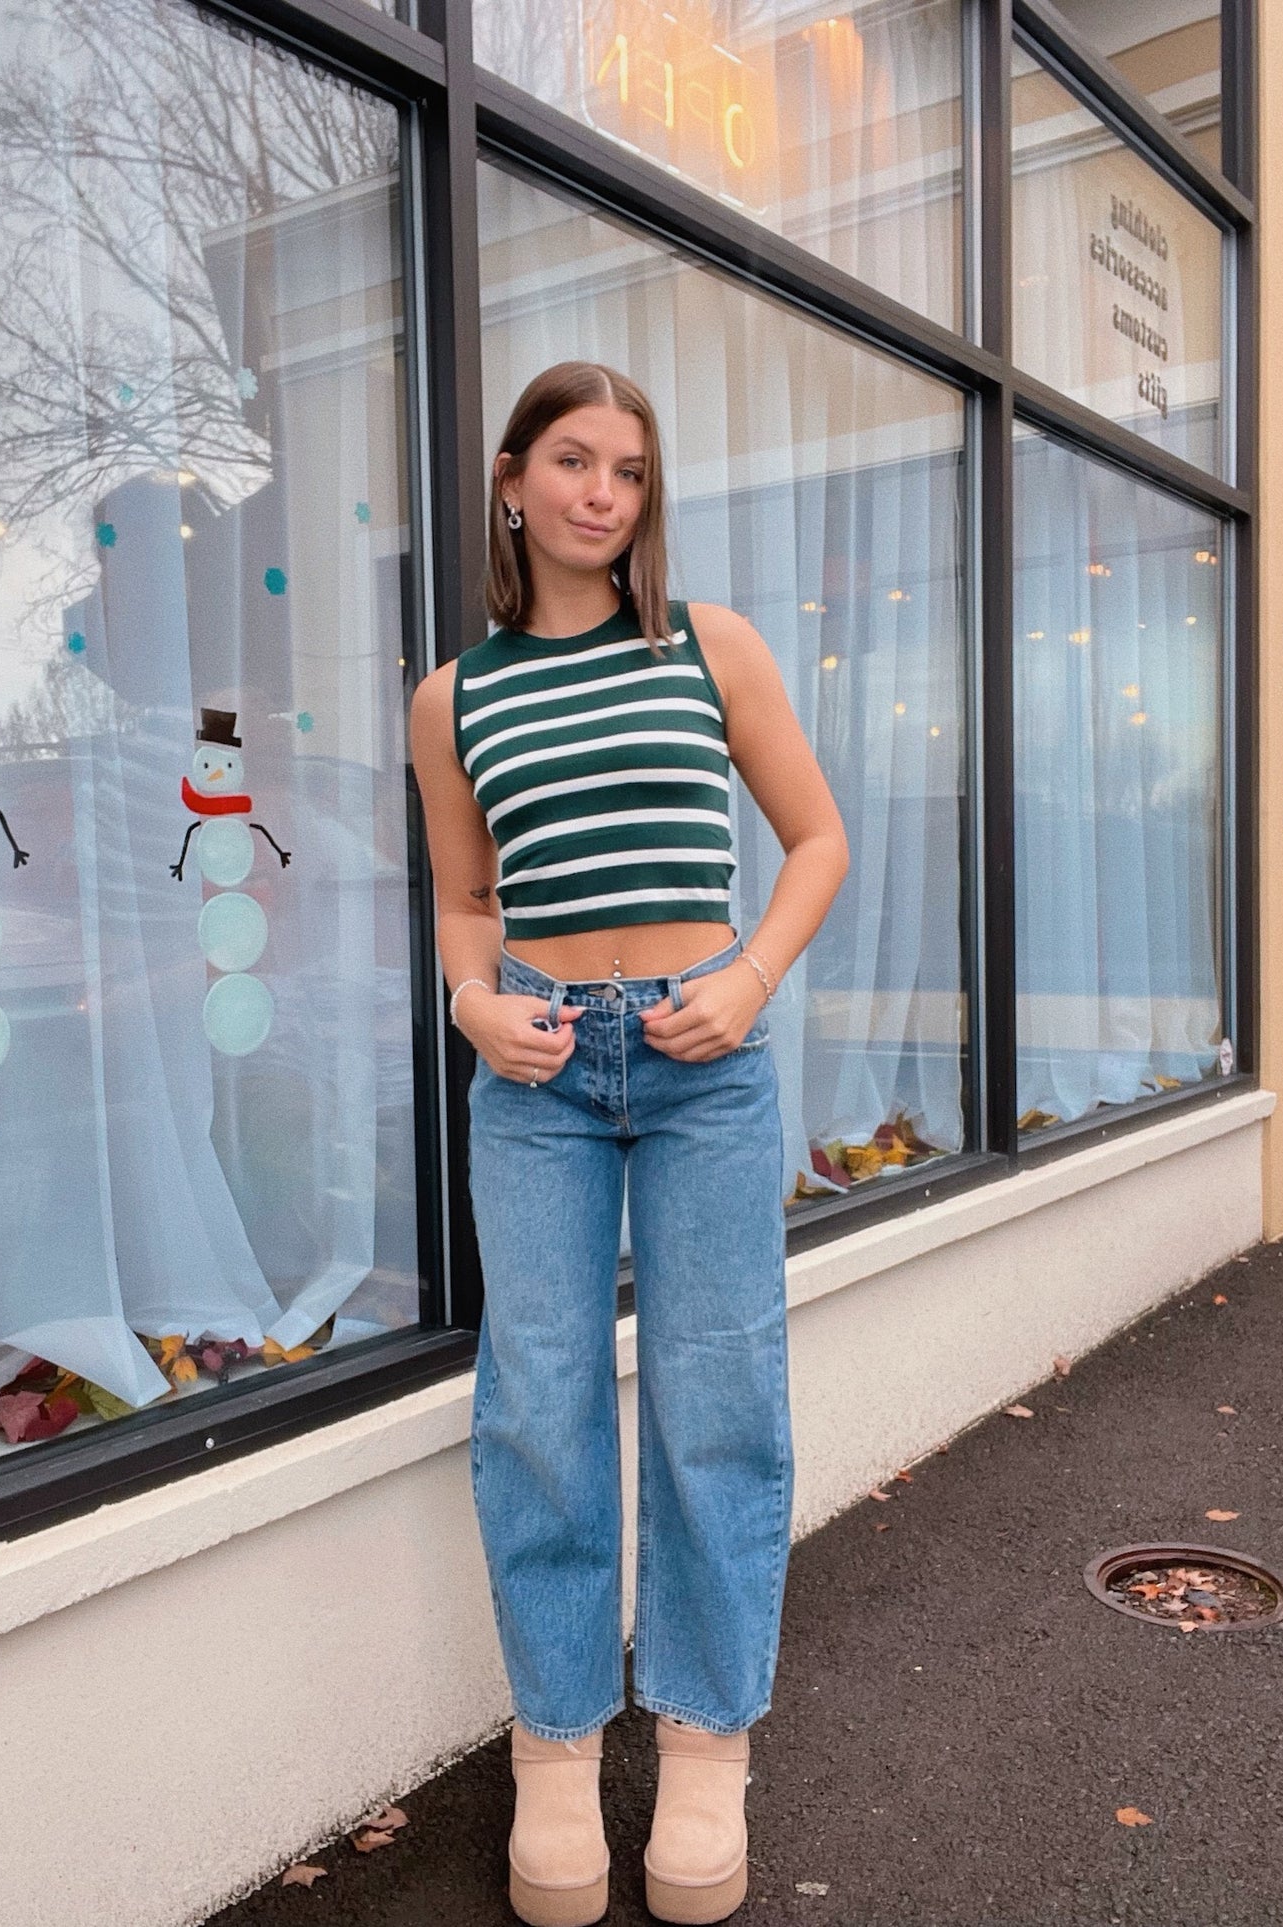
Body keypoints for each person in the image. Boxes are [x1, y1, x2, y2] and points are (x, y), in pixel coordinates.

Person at [408, 360, 848, 1927]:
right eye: (575, 461)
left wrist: (742, 979)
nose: (604, 493)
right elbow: (466, 900)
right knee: (535, 1403)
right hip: (533, 1069)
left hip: (700, 1059)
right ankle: (553, 1750)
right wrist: (472, 1004)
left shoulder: (705, 647)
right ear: (513, 479)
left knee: (718, 1400)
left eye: (632, 472)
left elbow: (816, 840)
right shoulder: (451, 695)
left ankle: (707, 1742)